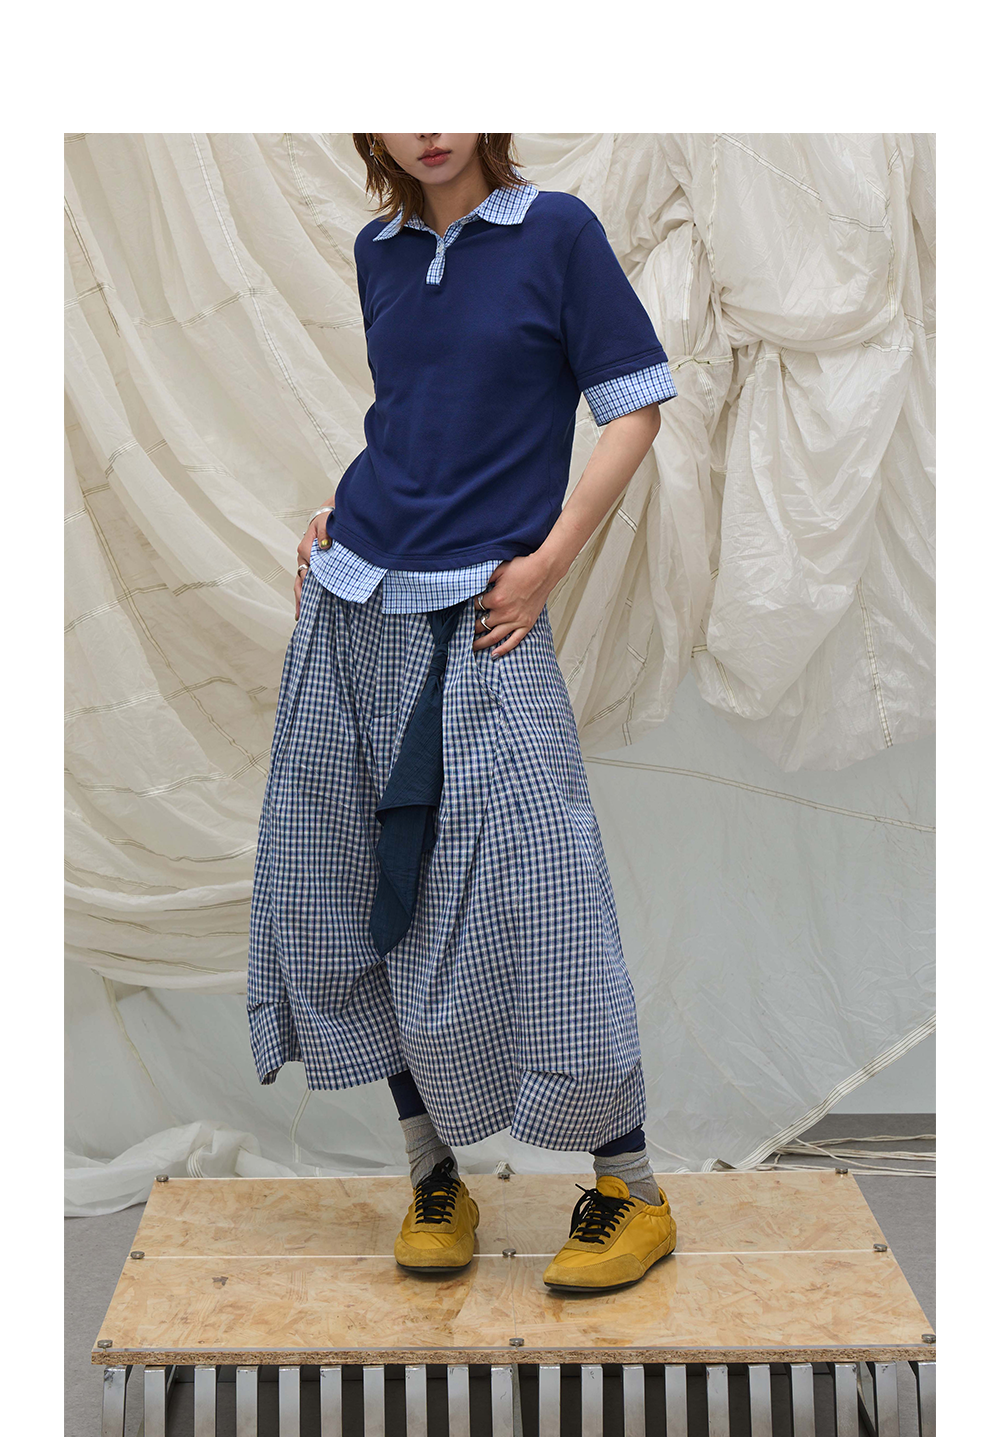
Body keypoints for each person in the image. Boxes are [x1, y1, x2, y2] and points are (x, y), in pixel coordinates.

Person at [247, 133, 679, 1291]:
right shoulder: (379, 252)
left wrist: (545, 566)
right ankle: (431, 1175)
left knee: (545, 889)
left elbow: (634, 409)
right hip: (354, 598)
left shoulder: (556, 233)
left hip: (487, 613)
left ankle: (630, 1189)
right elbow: (418, 415)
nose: (429, 123)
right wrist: (339, 504)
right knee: (361, 880)